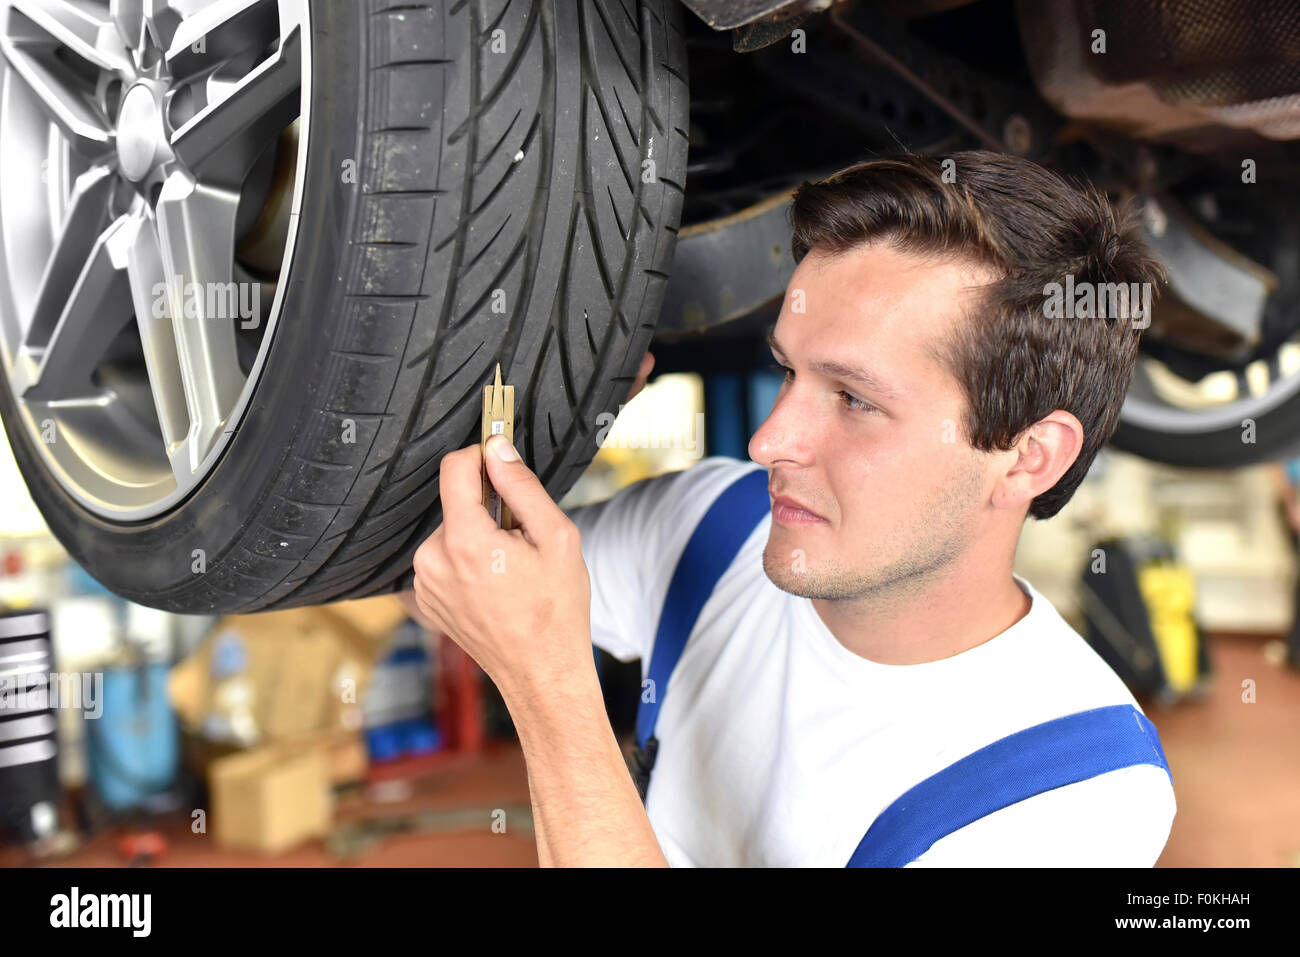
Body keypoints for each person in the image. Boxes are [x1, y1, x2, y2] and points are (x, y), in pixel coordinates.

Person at [400, 150, 1176, 867]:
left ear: (1028, 457)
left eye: (854, 398)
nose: (770, 439)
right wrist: (544, 432)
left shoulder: (1072, 796)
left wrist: (550, 690)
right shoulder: (714, 526)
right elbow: (438, 576)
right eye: (786, 371)